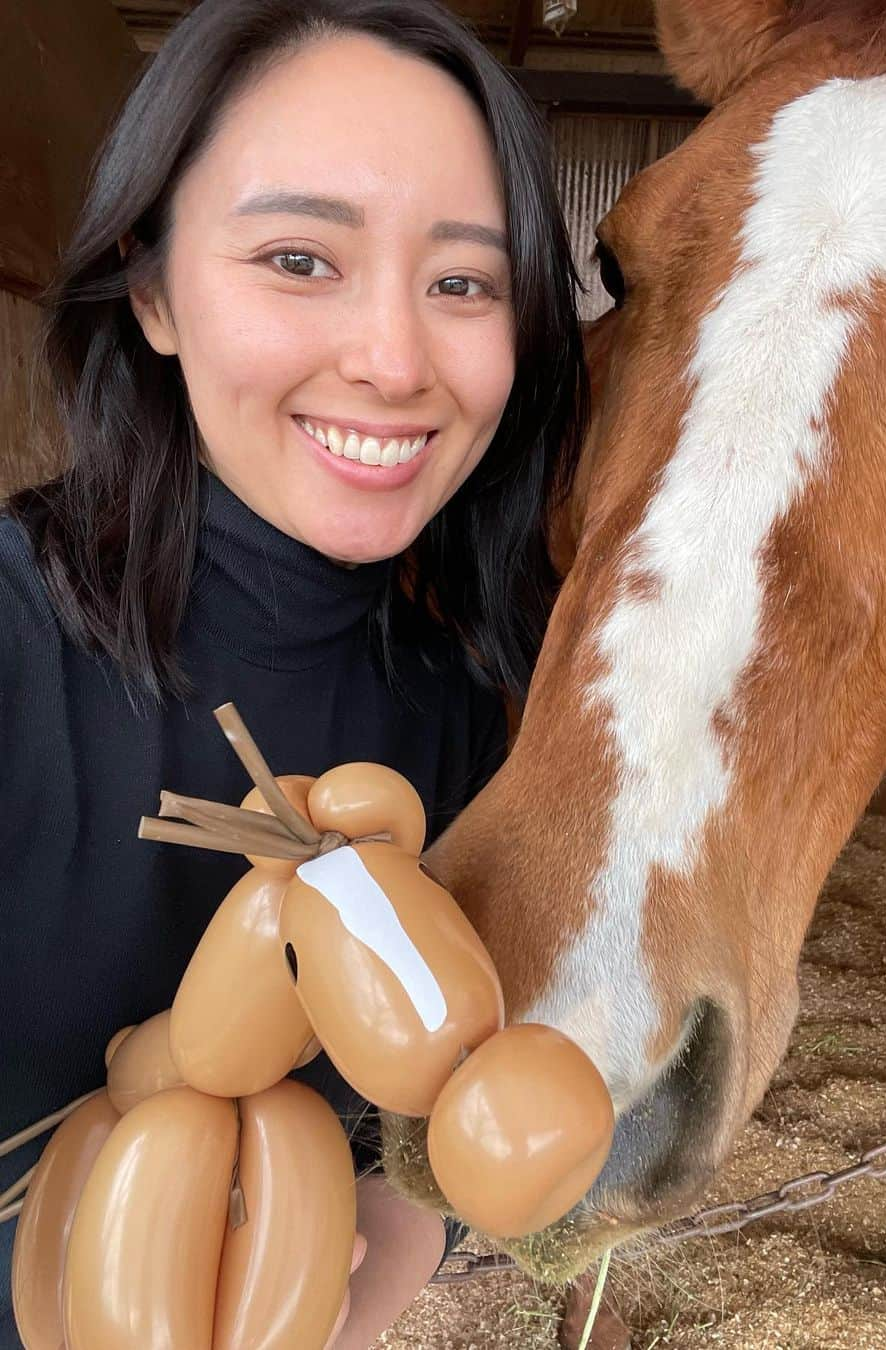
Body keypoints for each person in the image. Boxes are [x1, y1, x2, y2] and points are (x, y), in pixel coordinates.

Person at [0, 0, 586, 1344]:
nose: (392, 359)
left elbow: (391, 1182)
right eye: (298, 258)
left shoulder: (466, 716)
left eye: (463, 282)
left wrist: (350, 1294)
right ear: (150, 290)